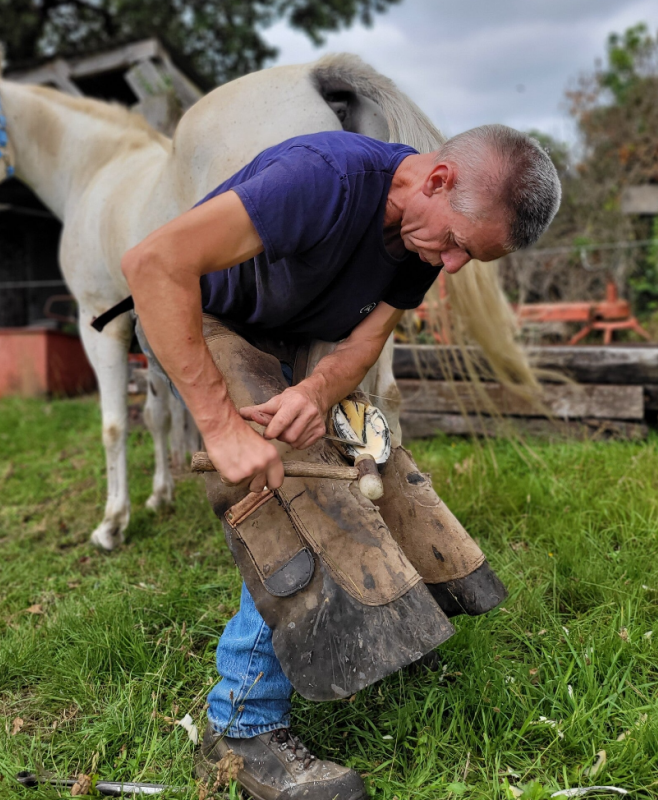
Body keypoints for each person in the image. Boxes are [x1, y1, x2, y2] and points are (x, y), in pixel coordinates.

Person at [122, 125, 560, 800]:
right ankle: (239, 727)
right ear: (437, 180)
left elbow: (365, 338)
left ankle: (401, 629)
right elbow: (153, 264)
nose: (450, 267)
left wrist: (315, 391)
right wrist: (220, 425)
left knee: (381, 471)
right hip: (206, 318)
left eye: (469, 257)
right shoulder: (321, 180)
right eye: (454, 244)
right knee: (293, 505)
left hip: (296, 336)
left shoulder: (420, 237)